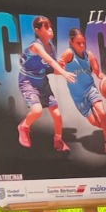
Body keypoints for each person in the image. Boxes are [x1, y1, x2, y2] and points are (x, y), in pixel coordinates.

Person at [17, 15, 71, 152]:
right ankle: (23, 127)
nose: (51, 30)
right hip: (28, 81)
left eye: (50, 26)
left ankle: (58, 140)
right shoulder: (36, 46)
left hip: (42, 81)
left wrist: (63, 68)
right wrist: (64, 73)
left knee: (57, 115)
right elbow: (51, 62)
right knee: (37, 110)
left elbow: (51, 69)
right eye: (46, 27)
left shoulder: (51, 48)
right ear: (37, 30)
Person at [61, 27, 106, 153]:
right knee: (95, 123)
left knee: (102, 113)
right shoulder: (68, 54)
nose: (81, 45)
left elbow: (98, 73)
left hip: (90, 89)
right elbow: (59, 69)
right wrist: (64, 72)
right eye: (78, 43)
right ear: (71, 41)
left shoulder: (89, 55)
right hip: (78, 96)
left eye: (83, 43)